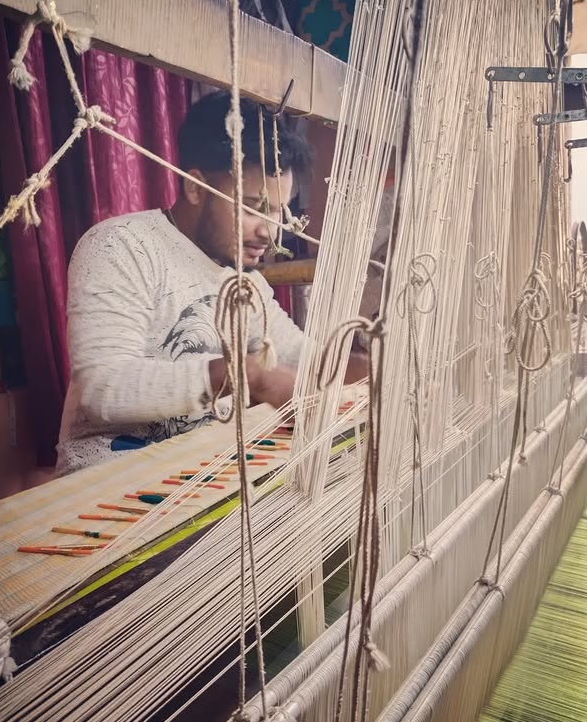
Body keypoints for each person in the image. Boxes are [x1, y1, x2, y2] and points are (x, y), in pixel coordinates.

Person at [56, 91, 366, 475]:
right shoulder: (121, 246)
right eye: (254, 207)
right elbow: (102, 388)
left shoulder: (239, 276)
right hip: (109, 484)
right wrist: (245, 376)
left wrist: (371, 366)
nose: (270, 232)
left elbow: (296, 355)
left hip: (198, 471)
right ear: (195, 187)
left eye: (278, 211)